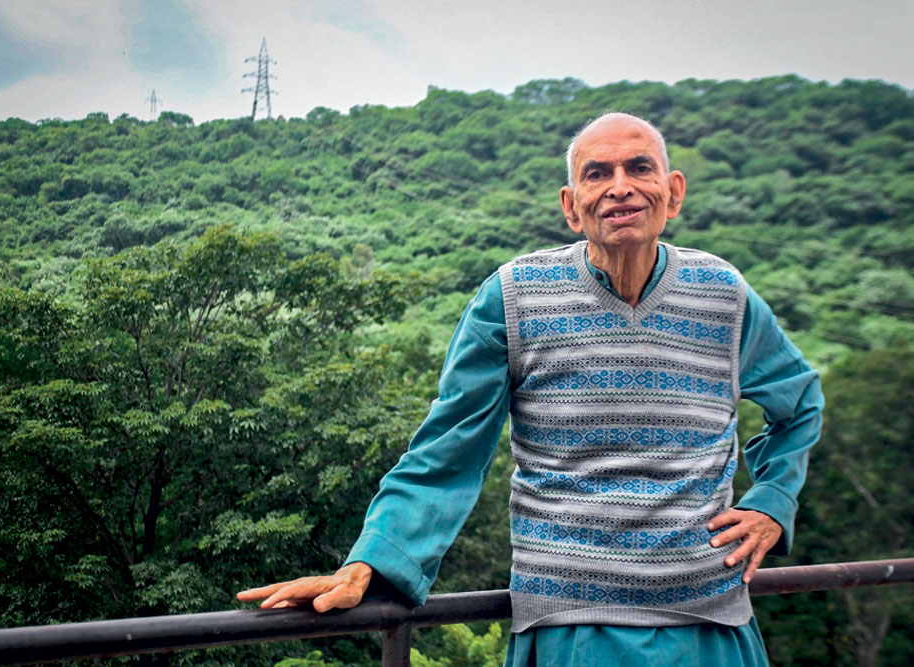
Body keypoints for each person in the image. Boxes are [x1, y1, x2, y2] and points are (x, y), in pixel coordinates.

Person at [238, 113, 823, 666]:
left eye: (639, 168)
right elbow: (449, 448)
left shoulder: (724, 294)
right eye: (597, 173)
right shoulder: (513, 297)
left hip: (712, 624)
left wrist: (771, 501)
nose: (620, 187)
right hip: (570, 626)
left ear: (673, 193)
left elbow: (798, 404)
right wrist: (370, 562)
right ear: (571, 207)